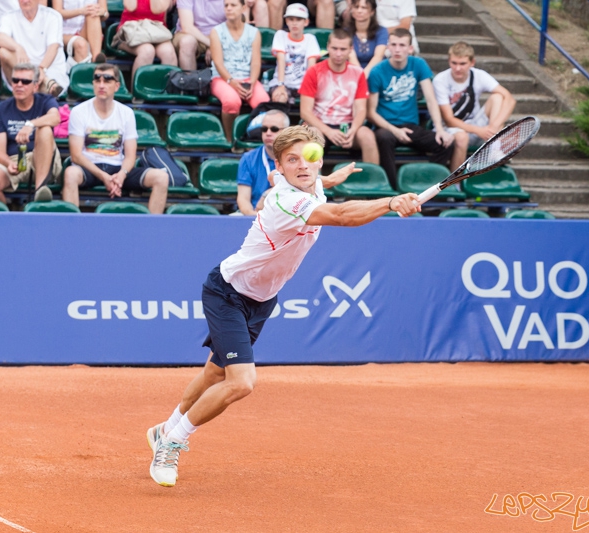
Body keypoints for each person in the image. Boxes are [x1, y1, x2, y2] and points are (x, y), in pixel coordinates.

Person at [145, 125, 420, 488]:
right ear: (280, 165)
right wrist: (390, 202)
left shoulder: (310, 180)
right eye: (292, 161)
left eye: (308, 159)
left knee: (214, 374)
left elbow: (316, 182)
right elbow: (339, 217)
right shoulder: (283, 200)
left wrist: (331, 179)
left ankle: (164, 428)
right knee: (241, 382)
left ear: (318, 160)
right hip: (227, 291)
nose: (302, 167)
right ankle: (173, 441)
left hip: (261, 300)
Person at [62, 64, 170, 213]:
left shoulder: (126, 113)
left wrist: (121, 175)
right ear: (93, 84)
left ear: (117, 86)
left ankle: (151, 231)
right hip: (89, 167)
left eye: (107, 80)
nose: (101, 85)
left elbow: (130, 156)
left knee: (161, 177)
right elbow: (76, 156)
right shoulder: (79, 111)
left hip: (117, 166)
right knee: (70, 173)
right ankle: (72, 229)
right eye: (97, 80)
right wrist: (104, 177)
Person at [367, 28, 454, 188]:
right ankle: (391, 191)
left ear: (410, 48)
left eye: (402, 45)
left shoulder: (418, 64)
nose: (397, 49)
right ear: (388, 47)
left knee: (445, 143)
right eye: (393, 44)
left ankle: (427, 187)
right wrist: (394, 130)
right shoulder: (377, 71)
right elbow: (371, 112)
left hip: (411, 126)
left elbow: (430, 99)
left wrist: (440, 129)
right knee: (384, 138)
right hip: (386, 126)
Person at [0, 63, 62, 204]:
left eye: (25, 81)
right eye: (15, 80)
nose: (19, 85)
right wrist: (8, 163)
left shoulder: (46, 101)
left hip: (43, 157)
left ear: (35, 86)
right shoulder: (2, 109)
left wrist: (30, 124)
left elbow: (55, 118)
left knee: (44, 129)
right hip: (14, 159)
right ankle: (8, 219)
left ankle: (40, 190)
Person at [432, 41, 516, 170]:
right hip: (449, 129)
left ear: (472, 63)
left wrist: (492, 130)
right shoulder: (441, 80)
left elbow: (510, 99)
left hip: (476, 123)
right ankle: (456, 183)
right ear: (449, 62)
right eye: (454, 63)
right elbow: (449, 120)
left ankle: (494, 142)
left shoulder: (479, 75)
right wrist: (479, 131)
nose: (458, 68)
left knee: (497, 97)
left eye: (462, 64)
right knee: (462, 137)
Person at [299, 29, 378, 165]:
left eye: (343, 49)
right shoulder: (314, 71)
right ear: (328, 47)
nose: (338, 53)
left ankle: (372, 181)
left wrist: (353, 130)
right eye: (334, 48)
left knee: (367, 135)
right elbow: (305, 111)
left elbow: (361, 109)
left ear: (350, 50)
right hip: (320, 124)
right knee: (312, 135)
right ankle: (312, 183)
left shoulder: (358, 73)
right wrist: (329, 131)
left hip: (345, 126)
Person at [209, 0, 269, 142]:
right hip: (222, 78)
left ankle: (254, 139)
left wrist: (253, 82)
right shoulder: (216, 31)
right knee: (231, 101)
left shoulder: (254, 32)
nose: (229, 8)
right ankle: (230, 139)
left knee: (263, 102)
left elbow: (255, 62)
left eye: (233, 5)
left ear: (243, 8)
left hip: (247, 78)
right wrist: (231, 82)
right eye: (226, 5)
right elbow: (217, 62)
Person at [0, 0, 70, 96]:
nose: (25, 1)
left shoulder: (53, 16)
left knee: (44, 90)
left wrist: (42, 69)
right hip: (22, 70)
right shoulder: (8, 16)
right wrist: (18, 48)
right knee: (3, 52)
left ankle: (40, 83)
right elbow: (0, 38)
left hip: (49, 69)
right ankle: (41, 81)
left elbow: (53, 47)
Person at [235, 109, 288, 215]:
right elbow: (243, 199)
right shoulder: (248, 158)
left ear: (286, 131)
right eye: (264, 129)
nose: (268, 133)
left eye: (274, 129)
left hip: (287, 214)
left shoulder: (296, 158)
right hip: (256, 214)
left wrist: (268, 194)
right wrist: (254, 217)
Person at [268, 3, 320, 105]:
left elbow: (311, 66)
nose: (294, 23)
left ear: (306, 22)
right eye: (291, 19)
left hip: (303, 85)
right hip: (282, 83)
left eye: (298, 19)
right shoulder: (280, 35)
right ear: (286, 21)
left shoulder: (310, 39)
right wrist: (281, 85)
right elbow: (281, 59)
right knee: (280, 97)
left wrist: (309, 89)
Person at [115, 0, 177, 80]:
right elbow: (130, 7)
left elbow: (157, 9)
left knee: (168, 53)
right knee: (147, 51)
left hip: (156, 31)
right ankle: (137, 91)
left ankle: (167, 90)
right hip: (132, 31)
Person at [52, 0, 108, 68]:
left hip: (89, 30)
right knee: (81, 45)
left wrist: (102, 12)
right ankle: (95, 66)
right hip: (65, 32)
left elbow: (105, 13)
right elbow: (57, 12)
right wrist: (81, 11)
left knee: (93, 13)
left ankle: (96, 58)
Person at [171, 0, 224, 71]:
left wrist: (217, 42)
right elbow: (187, 27)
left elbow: (236, 25)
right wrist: (213, 44)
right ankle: (190, 79)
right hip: (191, 34)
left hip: (219, 34)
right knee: (187, 42)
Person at [345, 0, 387, 77]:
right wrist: (361, 77)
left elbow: (378, 56)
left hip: (376, 73)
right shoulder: (346, 32)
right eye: (356, 7)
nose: (359, 11)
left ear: (372, 11)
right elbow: (351, 57)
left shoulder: (381, 31)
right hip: (353, 75)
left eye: (364, 8)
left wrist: (364, 76)